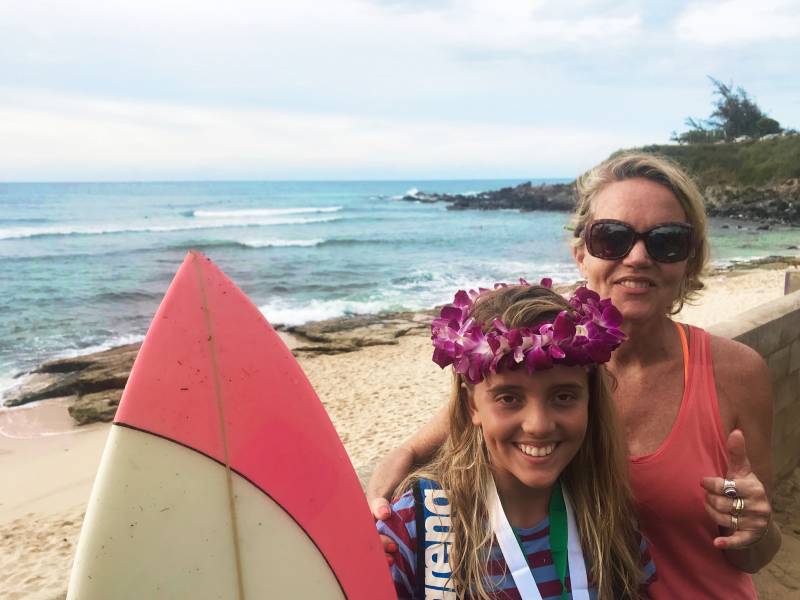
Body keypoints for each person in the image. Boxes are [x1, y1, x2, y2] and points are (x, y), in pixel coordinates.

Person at [369, 153, 781, 599]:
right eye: (612, 237)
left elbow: (754, 553)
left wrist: (753, 528)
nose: (638, 257)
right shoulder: (545, 356)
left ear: (690, 258)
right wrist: (386, 494)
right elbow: (457, 421)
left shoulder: (736, 372)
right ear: (580, 253)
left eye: (666, 241)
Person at [377, 280, 656, 599]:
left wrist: (731, 497)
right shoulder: (417, 525)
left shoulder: (607, 515)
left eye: (563, 396)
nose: (538, 425)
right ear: (472, 406)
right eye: (508, 398)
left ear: (590, 400)